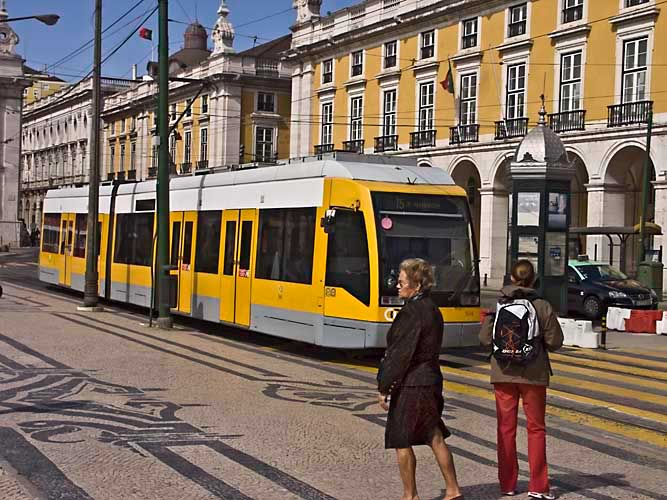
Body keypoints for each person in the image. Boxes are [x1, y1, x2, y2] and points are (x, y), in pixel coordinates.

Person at [378, 258, 463, 500]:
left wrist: (384, 386)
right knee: (433, 435)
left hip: (413, 383)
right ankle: (453, 490)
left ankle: (410, 496)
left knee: (401, 438)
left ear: (416, 285)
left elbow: (400, 354)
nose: (396, 285)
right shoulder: (433, 309)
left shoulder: (410, 313)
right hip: (431, 379)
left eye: (401, 281)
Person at [479, 260, 564, 500]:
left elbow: (485, 339)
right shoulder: (542, 306)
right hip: (533, 374)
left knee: (505, 429)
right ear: (533, 280)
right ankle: (538, 486)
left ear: (511, 278)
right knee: (536, 429)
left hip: (503, 373)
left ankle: (507, 484)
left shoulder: (498, 304)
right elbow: (555, 341)